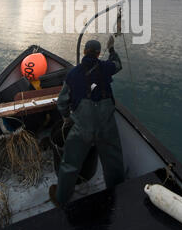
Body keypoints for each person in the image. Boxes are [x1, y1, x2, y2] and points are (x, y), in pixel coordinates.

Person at [49, 36, 125, 207]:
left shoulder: (72, 74)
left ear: (84, 52)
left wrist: (66, 116)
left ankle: (61, 198)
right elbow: (118, 64)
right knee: (114, 162)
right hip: (107, 126)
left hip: (82, 128)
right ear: (98, 54)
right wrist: (111, 49)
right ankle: (119, 192)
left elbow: (62, 102)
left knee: (69, 164)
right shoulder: (106, 67)